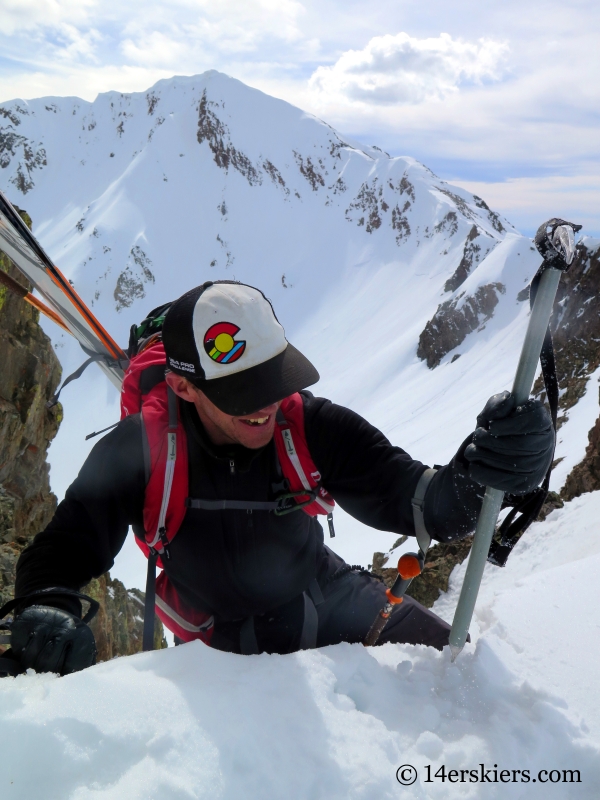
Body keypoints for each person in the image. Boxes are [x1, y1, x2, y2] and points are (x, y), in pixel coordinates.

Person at [8, 281, 554, 674]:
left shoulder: (310, 425)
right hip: (214, 642)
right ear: (183, 389)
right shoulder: (140, 450)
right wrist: (46, 606)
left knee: (455, 677)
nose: (268, 402)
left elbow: (425, 504)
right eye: (243, 391)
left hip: (328, 597)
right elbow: (64, 548)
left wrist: (490, 471)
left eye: (275, 377)